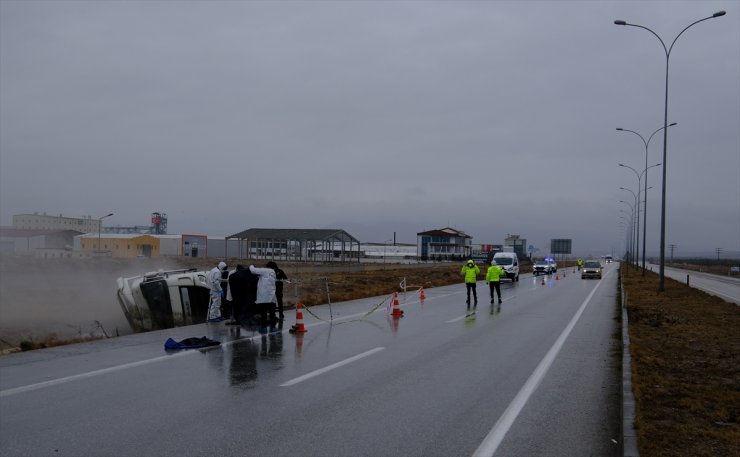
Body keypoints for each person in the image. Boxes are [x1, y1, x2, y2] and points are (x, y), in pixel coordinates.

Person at [249, 264, 277, 333]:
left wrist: (251, 265)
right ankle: (273, 328)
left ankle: (264, 328)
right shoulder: (273, 273)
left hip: (263, 298)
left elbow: (253, 271)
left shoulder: (266, 270)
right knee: (272, 313)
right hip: (271, 297)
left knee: (263, 313)